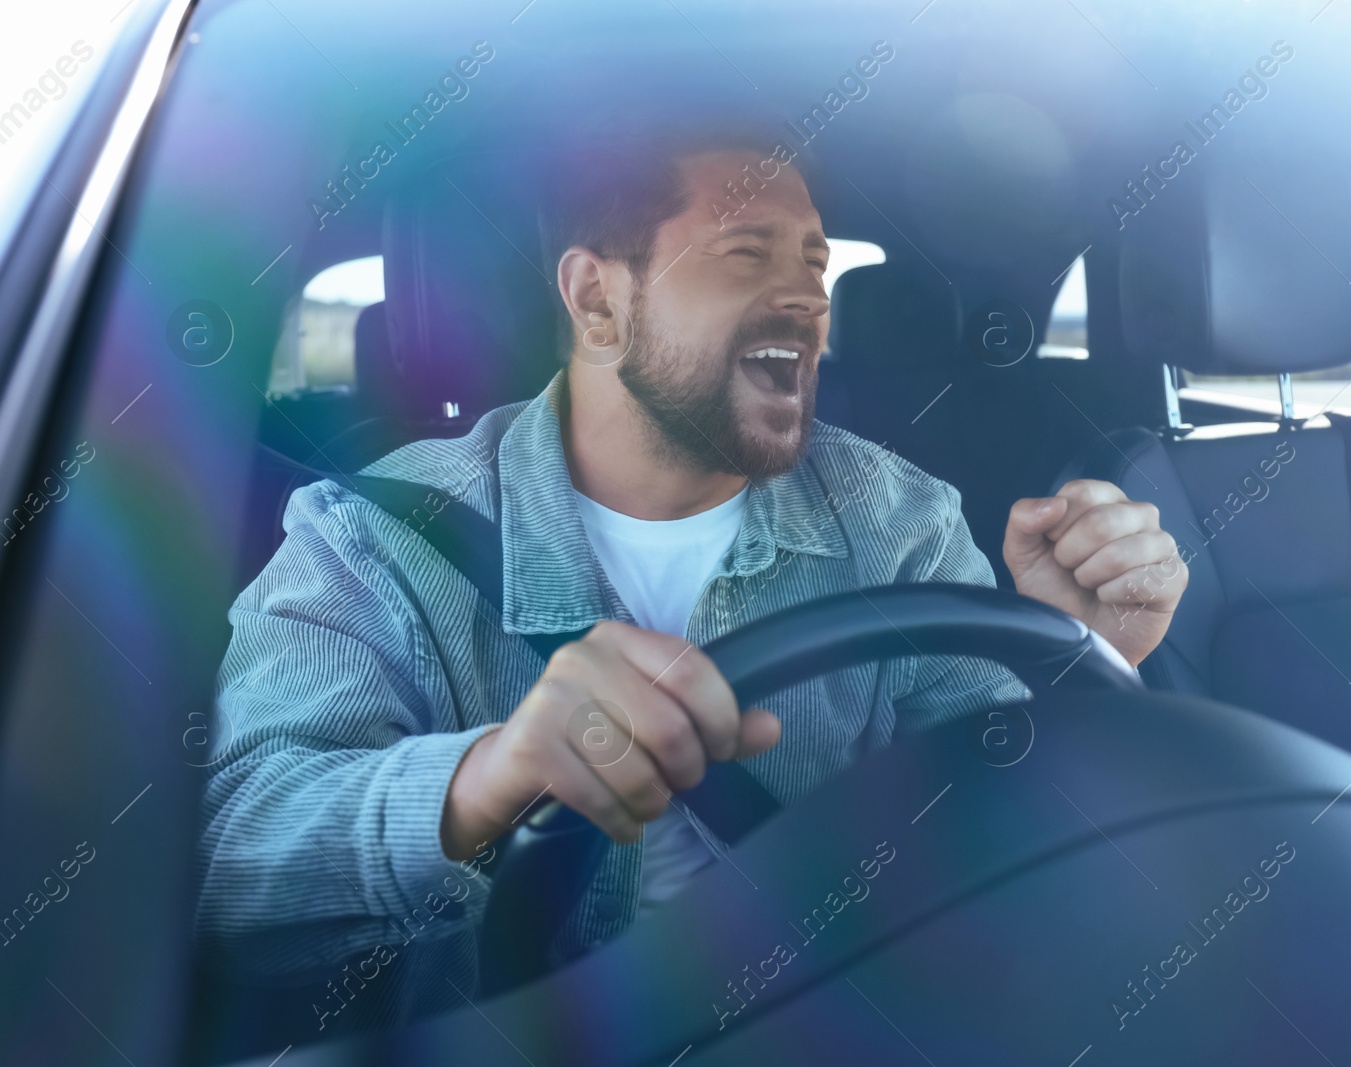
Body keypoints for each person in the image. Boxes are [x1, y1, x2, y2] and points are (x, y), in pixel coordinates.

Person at [197, 123, 1188, 1029]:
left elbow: (1009, 853)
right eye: (744, 254)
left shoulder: (898, 518)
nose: (808, 294)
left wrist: (1081, 663)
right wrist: (487, 774)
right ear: (596, 300)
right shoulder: (373, 534)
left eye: (814, 260)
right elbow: (240, 862)